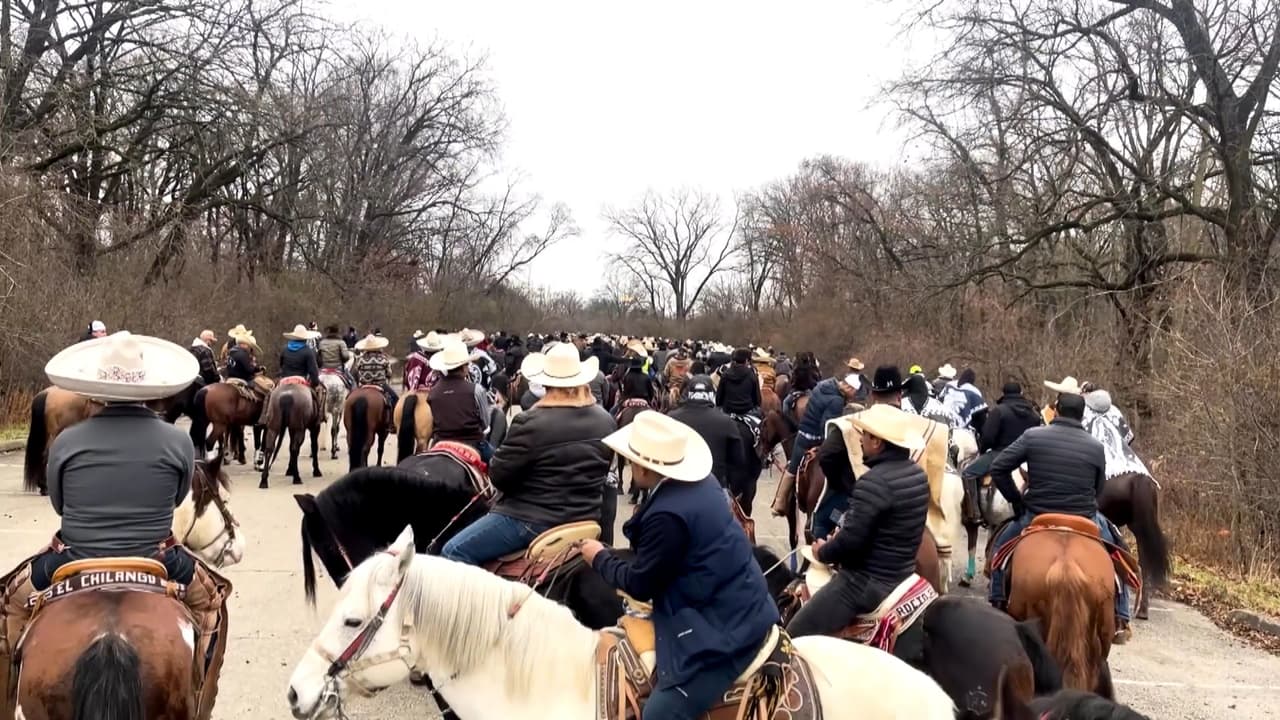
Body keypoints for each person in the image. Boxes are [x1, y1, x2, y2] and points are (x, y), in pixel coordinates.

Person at [1, 332, 229, 720]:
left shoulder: (66, 441)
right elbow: (176, 499)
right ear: (147, 387)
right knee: (214, 602)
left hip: (72, 558)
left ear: (98, 386)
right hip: (159, 558)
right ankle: (201, 704)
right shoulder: (177, 441)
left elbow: (59, 502)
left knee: (6, 605)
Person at [581, 411, 779, 720]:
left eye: (634, 460)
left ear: (647, 466)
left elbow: (641, 584)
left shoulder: (667, 514)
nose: (632, 465)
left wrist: (599, 557)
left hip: (724, 627)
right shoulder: (702, 483)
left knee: (659, 714)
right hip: (736, 602)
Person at [442, 343, 614, 565]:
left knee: (452, 551)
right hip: (586, 518)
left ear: (545, 382)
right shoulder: (606, 420)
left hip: (531, 521)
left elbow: (499, 476)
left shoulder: (530, 421)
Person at [987, 393, 1133, 641]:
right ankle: (1121, 616)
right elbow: (1098, 488)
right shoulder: (1095, 446)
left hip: (1037, 513)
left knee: (999, 552)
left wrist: (1016, 500)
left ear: (1056, 411)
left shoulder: (1032, 436)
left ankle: (998, 600)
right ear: (1082, 415)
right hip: (1085, 516)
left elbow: (999, 466)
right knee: (1119, 554)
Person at [786, 404, 930, 639]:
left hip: (866, 583)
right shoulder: (917, 474)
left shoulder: (873, 482)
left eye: (864, 435)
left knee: (793, 634)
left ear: (877, 442)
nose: (860, 440)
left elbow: (850, 543)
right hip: (902, 573)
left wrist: (823, 552)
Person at [772, 369, 860, 516]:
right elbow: (826, 425)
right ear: (849, 388)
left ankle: (780, 503)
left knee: (792, 469)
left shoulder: (823, 385)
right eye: (854, 392)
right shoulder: (836, 401)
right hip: (816, 439)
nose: (854, 396)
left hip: (802, 435)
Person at [961, 381, 1041, 524]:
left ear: (1004, 393)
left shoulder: (999, 411)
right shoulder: (1034, 415)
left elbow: (988, 438)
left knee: (968, 473)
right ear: (1021, 393)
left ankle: (974, 512)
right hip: (1027, 457)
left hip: (1000, 454)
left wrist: (983, 450)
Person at [668, 375, 747, 501]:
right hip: (715, 490)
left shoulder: (671, 418)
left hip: (677, 488)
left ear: (688, 393)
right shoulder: (727, 421)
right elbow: (739, 462)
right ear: (712, 395)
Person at [427, 337, 492, 459]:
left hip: (440, 442)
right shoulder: (476, 390)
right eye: (467, 365)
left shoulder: (433, 392)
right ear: (463, 368)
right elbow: (485, 423)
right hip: (472, 442)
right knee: (497, 465)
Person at [352, 334, 399, 413]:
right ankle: (393, 422)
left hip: (363, 385)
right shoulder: (383, 359)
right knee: (395, 398)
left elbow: (356, 371)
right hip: (380, 385)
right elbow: (389, 373)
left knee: (350, 397)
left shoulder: (360, 359)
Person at [716, 348, 762, 415]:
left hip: (727, 411)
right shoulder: (752, 375)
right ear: (746, 360)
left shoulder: (725, 374)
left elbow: (718, 399)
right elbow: (758, 400)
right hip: (747, 411)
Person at [317, 324, 354, 389]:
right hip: (338, 368)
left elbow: (318, 357)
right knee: (353, 382)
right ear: (337, 333)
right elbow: (346, 356)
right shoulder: (341, 343)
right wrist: (342, 360)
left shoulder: (322, 343)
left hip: (324, 368)